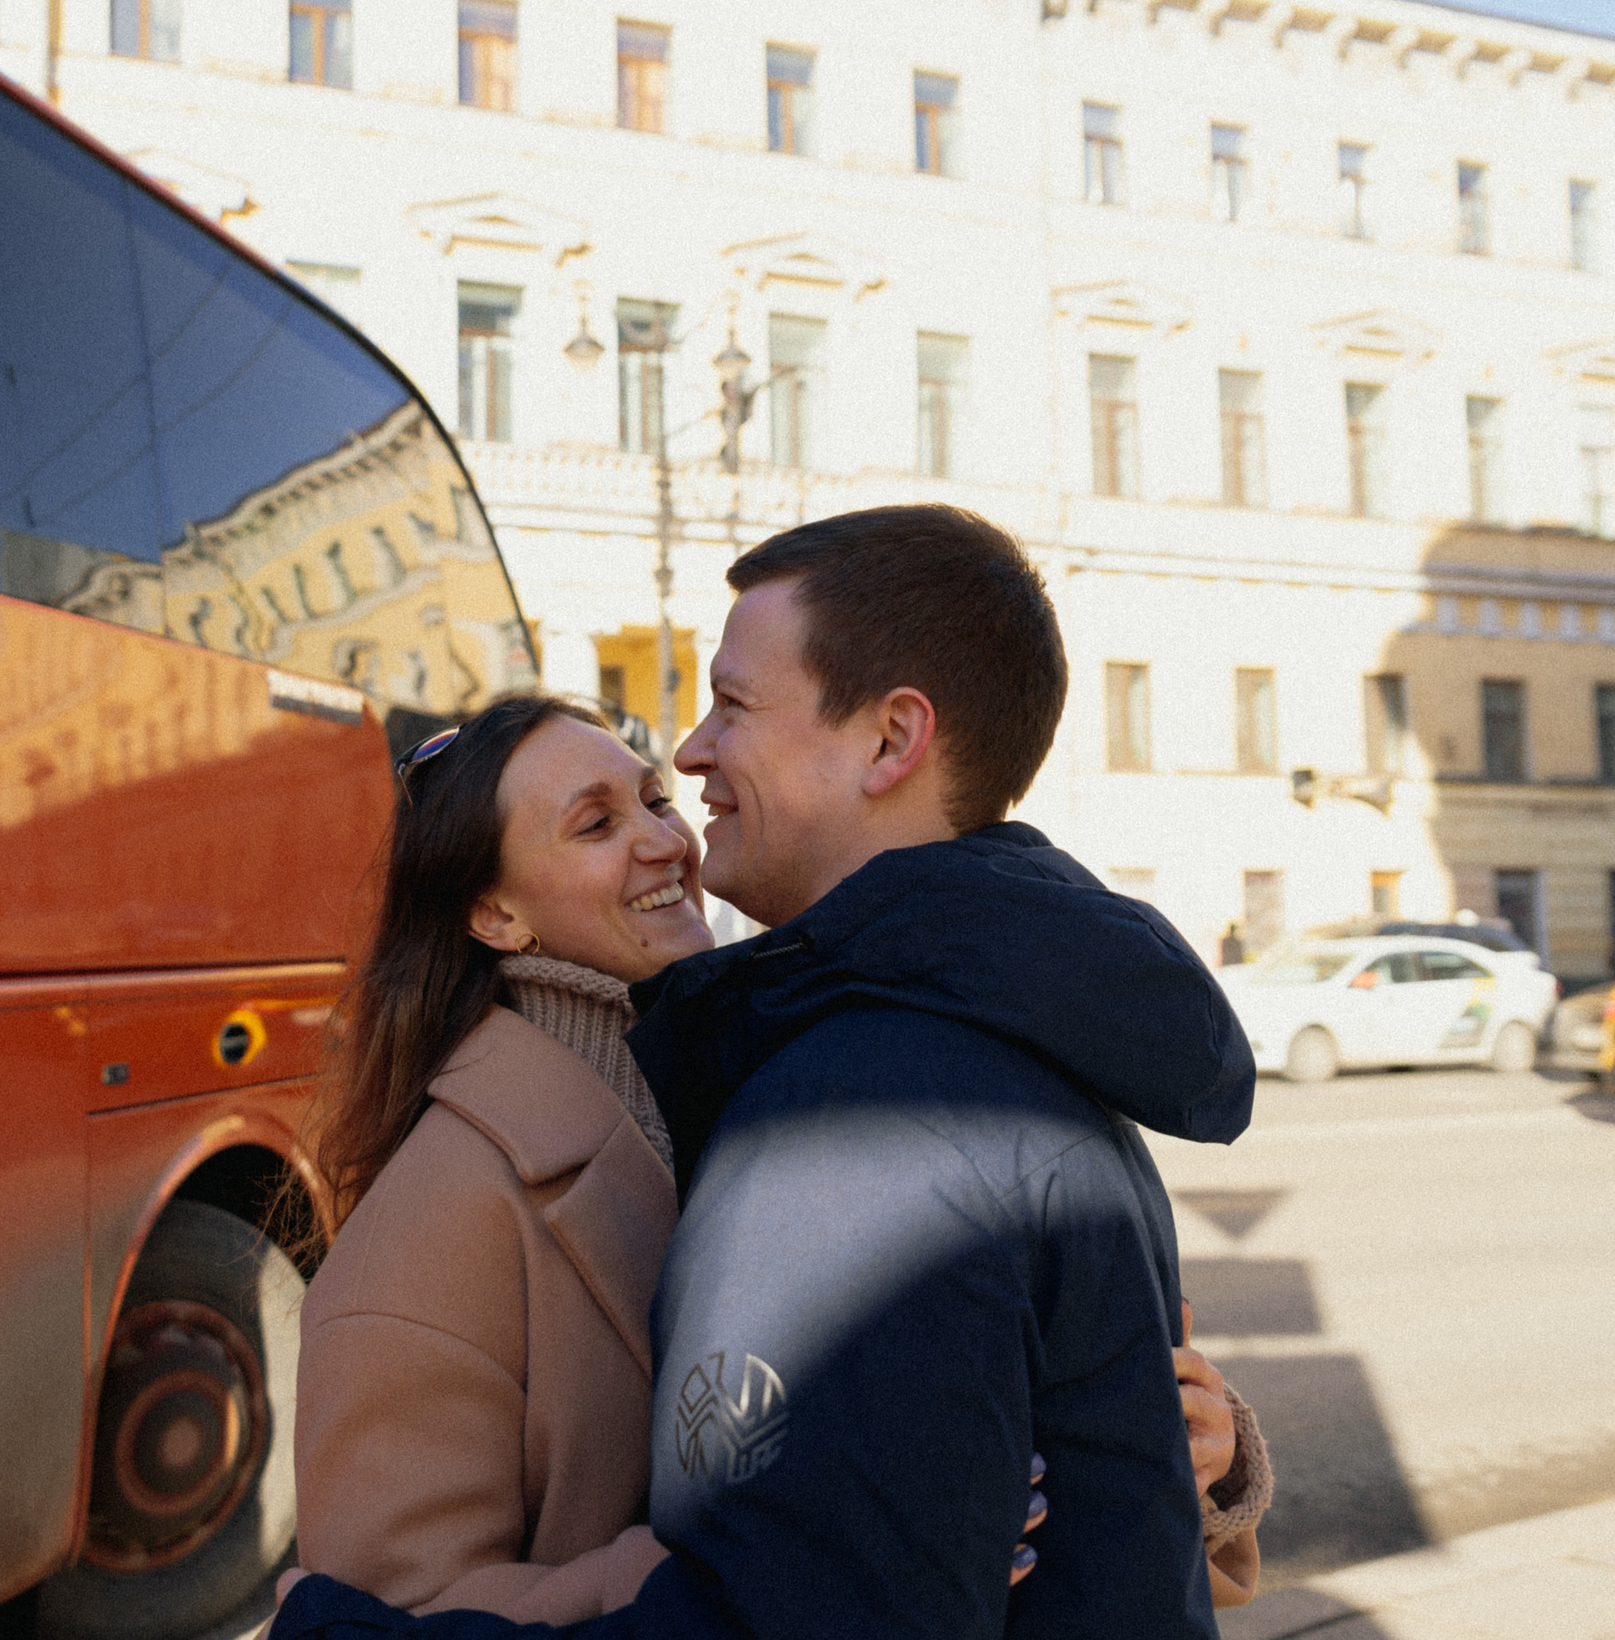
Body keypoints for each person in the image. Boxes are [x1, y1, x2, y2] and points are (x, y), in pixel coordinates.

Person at [286, 604, 1269, 1636]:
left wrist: (1181, 1454)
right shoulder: (439, 1210)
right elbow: (386, 1608)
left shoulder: (758, 1088)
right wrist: (768, 1546)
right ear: (494, 913)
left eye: (654, 801)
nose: (664, 841)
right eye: (595, 825)